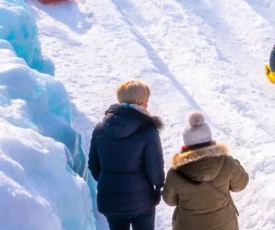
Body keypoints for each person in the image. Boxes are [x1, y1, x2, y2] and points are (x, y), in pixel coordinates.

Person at [88, 80, 164, 230]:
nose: (148, 105)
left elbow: (94, 166)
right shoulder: (148, 130)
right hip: (141, 200)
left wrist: (109, 181)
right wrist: (158, 186)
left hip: (110, 198)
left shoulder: (100, 128)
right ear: (140, 102)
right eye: (146, 101)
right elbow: (154, 168)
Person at [163, 111, 249, 230]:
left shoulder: (175, 172)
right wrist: (235, 163)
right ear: (210, 140)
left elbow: (170, 201)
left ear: (186, 145)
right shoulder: (226, 162)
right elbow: (241, 184)